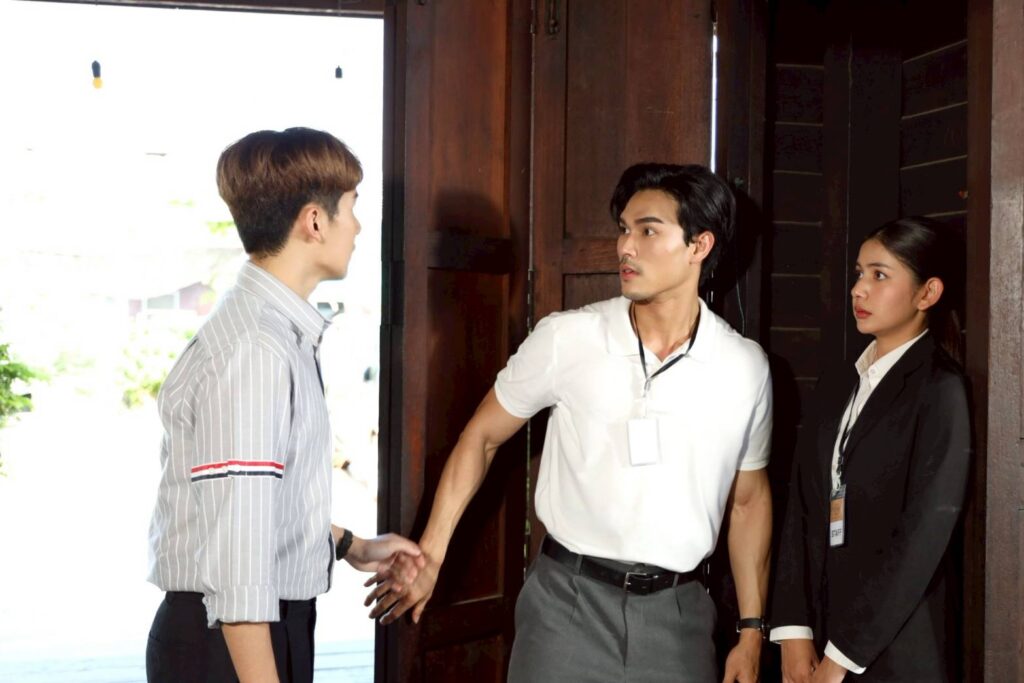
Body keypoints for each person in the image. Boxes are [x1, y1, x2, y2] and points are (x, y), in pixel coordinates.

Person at [367, 163, 774, 682]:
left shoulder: (744, 367)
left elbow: (748, 501)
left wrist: (751, 630)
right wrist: (431, 552)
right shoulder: (567, 338)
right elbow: (482, 437)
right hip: (566, 607)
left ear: (699, 245)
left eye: (648, 231)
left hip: (679, 618)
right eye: (623, 229)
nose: (625, 246)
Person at [145, 127, 424, 683]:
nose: (358, 226)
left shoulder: (271, 333)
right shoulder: (256, 349)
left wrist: (351, 546)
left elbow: (254, 505)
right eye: (352, 207)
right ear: (314, 221)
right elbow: (238, 559)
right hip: (233, 640)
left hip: (245, 631)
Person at [770, 217, 971, 682]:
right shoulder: (838, 381)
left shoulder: (940, 389)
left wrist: (841, 657)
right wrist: (794, 632)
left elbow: (922, 539)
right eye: (860, 273)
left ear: (928, 293)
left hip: (894, 651)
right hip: (818, 636)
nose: (859, 289)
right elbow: (802, 506)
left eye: (880, 275)